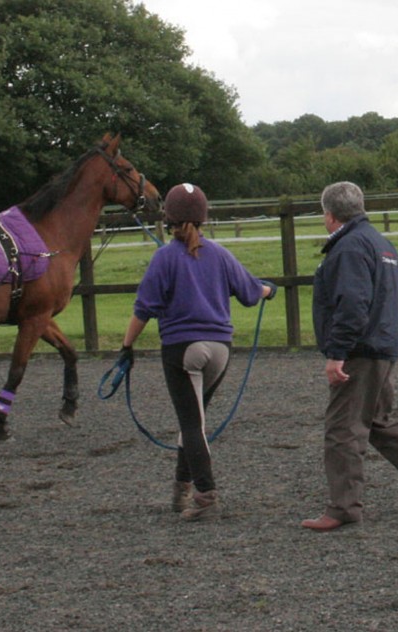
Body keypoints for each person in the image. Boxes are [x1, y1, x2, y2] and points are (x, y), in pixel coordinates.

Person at [302, 181, 398, 533]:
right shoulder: (381, 243)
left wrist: (337, 353)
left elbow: (353, 306)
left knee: (342, 429)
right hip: (384, 346)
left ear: (329, 215)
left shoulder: (349, 248)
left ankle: (343, 507)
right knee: (377, 423)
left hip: (361, 350)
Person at [120, 183, 276, 522]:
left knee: (192, 424)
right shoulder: (220, 254)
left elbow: (143, 309)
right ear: (203, 217)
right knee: (194, 421)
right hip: (220, 349)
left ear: (169, 218)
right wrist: (269, 290)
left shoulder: (164, 257)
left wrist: (126, 347)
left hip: (183, 349)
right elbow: (252, 291)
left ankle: (205, 496)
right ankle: (181, 489)